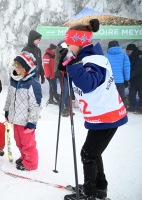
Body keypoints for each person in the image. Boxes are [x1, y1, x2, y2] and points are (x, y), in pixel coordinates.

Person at [59, 19, 128, 200]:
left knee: (88, 154)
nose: (67, 47)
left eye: (69, 44)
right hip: (102, 115)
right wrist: (66, 66)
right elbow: (80, 80)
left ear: (80, 43)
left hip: (108, 117)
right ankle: (99, 188)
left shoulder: (94, 60)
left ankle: (90, 194)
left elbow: (88, 84)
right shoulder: (85, 58)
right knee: (93, 153)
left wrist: (72, 64)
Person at [4, 51, 42, 171]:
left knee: (28, 144)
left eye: (19, 67)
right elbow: (9, 98)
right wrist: (7, 111)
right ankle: (24, 156)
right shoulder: (14, 80)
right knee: (19, 142)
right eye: (15, 66)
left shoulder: (32, 83)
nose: (16, 69)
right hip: (16, 119)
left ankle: (31, 162)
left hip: (26, 122)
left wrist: (32, 122)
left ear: (26, 68)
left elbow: (35, 105)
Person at [104, 40, 130, 108]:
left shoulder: (105, 56)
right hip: (120, 81)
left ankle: (111, 113)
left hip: (109, 81)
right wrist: (126, 79)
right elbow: (126, 68)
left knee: (110, 98)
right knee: (121, 97)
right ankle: (122, 113)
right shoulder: (124, 55)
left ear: (109, 47)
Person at [54, 41, 74, 117]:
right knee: (65, 91)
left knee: (68, 91)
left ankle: (67, 108)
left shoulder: (65, 50)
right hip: (61, 73)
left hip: (66, 73)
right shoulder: (60, 50)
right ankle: (62, 109)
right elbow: (60, 62)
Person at [125, 44, 142, 114]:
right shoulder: (130, 56)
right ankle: (132, 106)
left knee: (141, 94)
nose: (127, 53)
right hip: (133, 79)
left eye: (129, 51)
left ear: (133, 50)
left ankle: (141, 108)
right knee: (132, 93)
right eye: (127, 51)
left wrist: (128, 77)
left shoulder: (139, 55)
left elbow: (136, 68)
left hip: (140, 78)